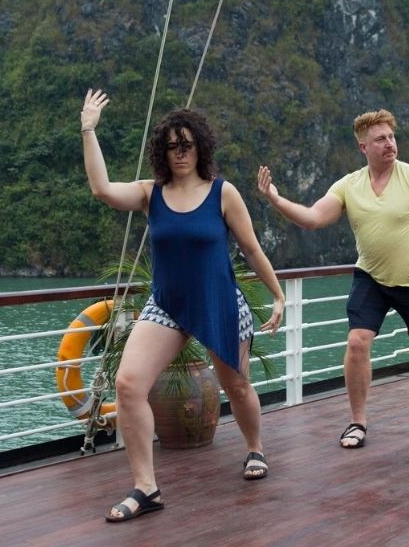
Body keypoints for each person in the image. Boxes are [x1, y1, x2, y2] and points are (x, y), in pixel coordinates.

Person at [80, 90, 285, 522]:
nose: (180, 152)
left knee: (237, 386)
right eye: (172, 145)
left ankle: (255, 448)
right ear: (162, 150)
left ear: (200, 147)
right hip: (168, 304)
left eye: (187, 144)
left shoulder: (223, 193)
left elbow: (251, 249)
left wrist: (278, 295)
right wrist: (88, 129)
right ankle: (146, 488)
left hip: (218, 301)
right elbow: (102, 189)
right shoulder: (150, 193)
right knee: (128, 384)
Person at [257, 109, 409, 449]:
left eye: (391, 137)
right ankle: (357, 421)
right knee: (357, 342)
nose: (389, 144)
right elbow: (312, 218)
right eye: (380, 139)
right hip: (371, 278)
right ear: (363, 147)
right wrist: (276, 199)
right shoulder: (349, 186)